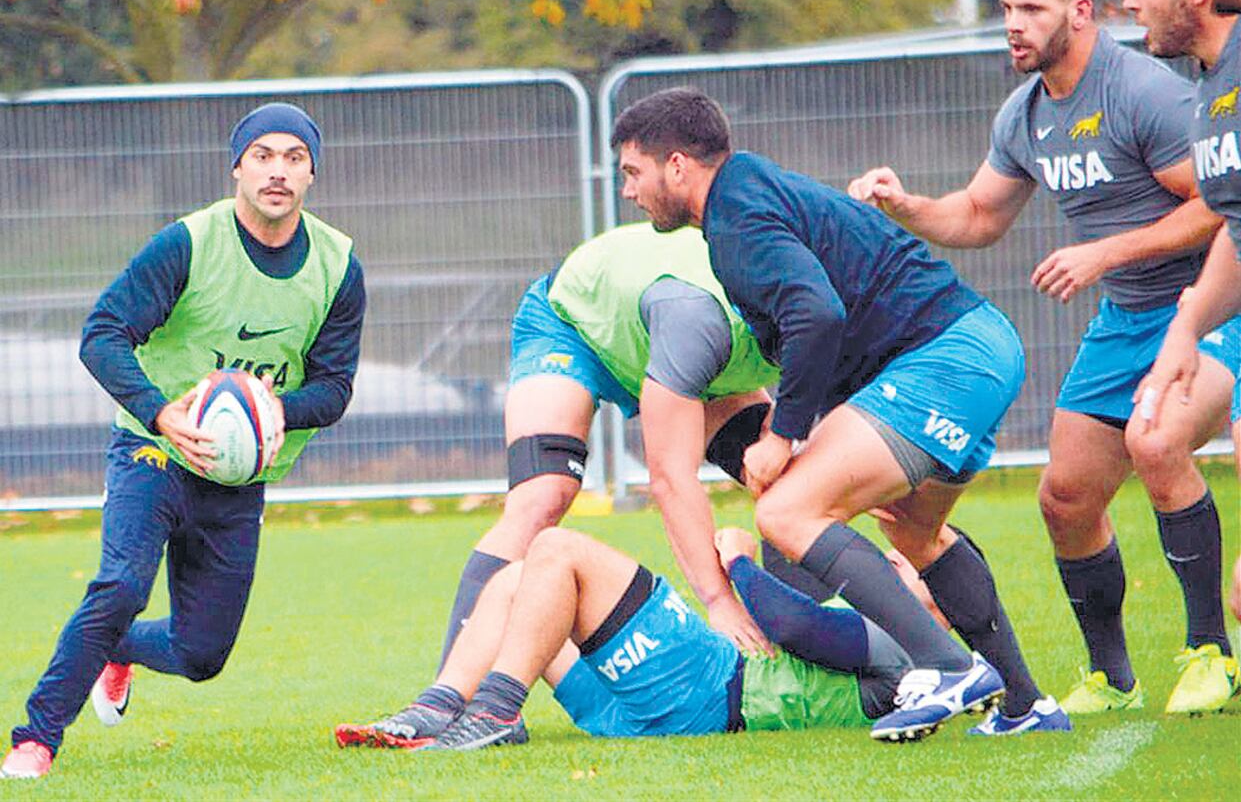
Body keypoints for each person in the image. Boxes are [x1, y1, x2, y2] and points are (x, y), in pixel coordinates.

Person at [610, 88, 1066, 741]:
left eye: (633, 171)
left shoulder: (737, 219)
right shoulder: (746, 192)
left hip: (945, 360)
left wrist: (785, 433)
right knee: (912, 530)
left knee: (785, 510)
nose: (629, 190)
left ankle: (943, 667)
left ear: (677, 165)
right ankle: (1026, 706)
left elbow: (816, 313)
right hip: (973, 346)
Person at [848, 0, 1239, 716]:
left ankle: (1210, 652)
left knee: (1155, 443)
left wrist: (1105, 253)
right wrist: (905, 205)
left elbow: (1215, 206)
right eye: (1004, 12)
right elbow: (975, 214)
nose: (1013, 26)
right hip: (1126, 317)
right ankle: (1110, 677)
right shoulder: (1024, 114)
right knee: (1063, 496)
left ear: (1081, 13)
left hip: (1207, 303)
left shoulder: (1139, 91)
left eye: (1031, 10)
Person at [1, 103, 366, 780]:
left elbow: (335, 387)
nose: (277, 170)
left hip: (238, 477)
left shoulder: (337, 265)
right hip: (152, 450)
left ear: (313, 171)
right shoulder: (188, 243)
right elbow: (102, 333)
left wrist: (270, 408)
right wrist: (161, 411)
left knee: (201, 654)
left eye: (293, 157)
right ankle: (35, 738)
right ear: (236, 165)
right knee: (120, 585)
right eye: (262, 155)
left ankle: (121, 651)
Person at [435, 222, 785, 685]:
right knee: (542, 498)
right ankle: (453, 692)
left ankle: (810, 652)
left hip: (676, 346)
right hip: (574, 327)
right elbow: (671, 479)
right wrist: (719, 602)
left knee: (789, 486)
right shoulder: (702, 317)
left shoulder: (826, 317)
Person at [336, 527, 941, 750]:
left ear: (935, 612)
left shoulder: (905, 650)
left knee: (557, 549)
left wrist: (735, 562)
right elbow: (798, 618)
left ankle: (493, 710)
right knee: (518, 579)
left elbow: (795, 625)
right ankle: (436, 708)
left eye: (899, 570)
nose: (881, 568)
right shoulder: (887, 641)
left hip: (709, 691)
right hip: (637, 717)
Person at [1124, 0, 1241, 712]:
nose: (1130, 2)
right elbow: (1235, 227)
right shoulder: (1205, 85)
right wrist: (1183, 330)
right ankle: (1209, 652)